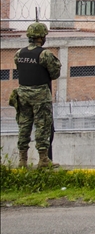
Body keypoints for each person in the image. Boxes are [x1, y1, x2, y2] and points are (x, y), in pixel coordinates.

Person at [12, 22, 62, 169]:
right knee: (43, 126)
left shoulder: (19, 53)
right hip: (40, 95)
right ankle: (43, 160)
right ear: (41, 37)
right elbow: (55, 73)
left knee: (24, 126)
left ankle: (22, 160)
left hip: (23, 94)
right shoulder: (44, 54)